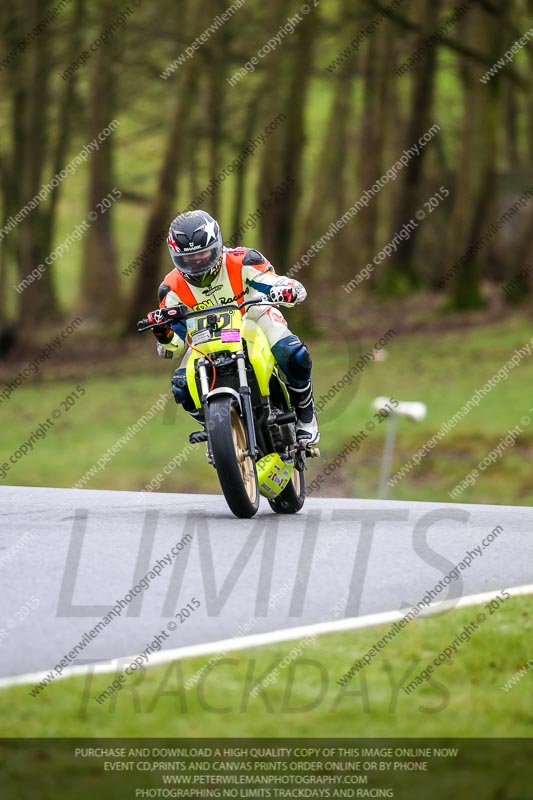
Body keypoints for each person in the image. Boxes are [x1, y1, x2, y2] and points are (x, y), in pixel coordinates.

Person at [148, 209, 319, 445]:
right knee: (180, 386)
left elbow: (272, 282)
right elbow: (172, 348)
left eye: (204, 255)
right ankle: (221, 433)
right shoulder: (170, 288)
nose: (197, 264)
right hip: (204, 336)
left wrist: (287, 288)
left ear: (217, 246)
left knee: (291, 352)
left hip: (253, 316)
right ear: (175, 256)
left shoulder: (244, 260)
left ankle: (305, 414)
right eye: (189, 259)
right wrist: (163, 333)